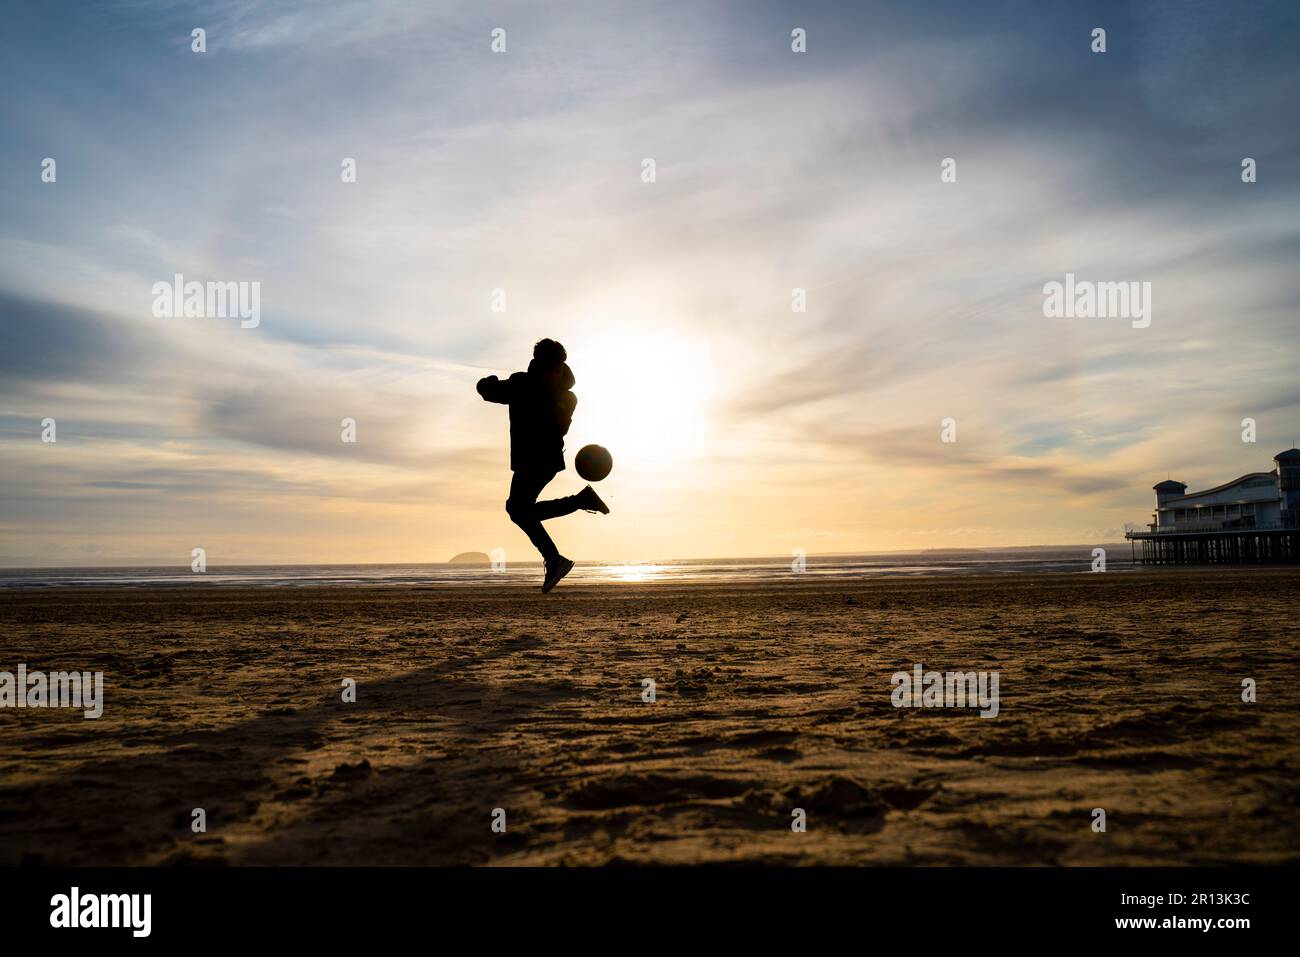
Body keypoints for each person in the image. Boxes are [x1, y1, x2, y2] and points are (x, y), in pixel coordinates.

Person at [476, 338, 608, 593]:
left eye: (557, 367)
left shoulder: (543, 390)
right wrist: (490, 384)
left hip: (538, 461)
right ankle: (577, 509)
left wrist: (492, 382)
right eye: (551, 366)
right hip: (538, 461)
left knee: (517, 510)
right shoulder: (539, 389)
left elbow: (487, 391)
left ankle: (558, 553)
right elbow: (489, 392)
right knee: (518, 510)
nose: (554, 372)